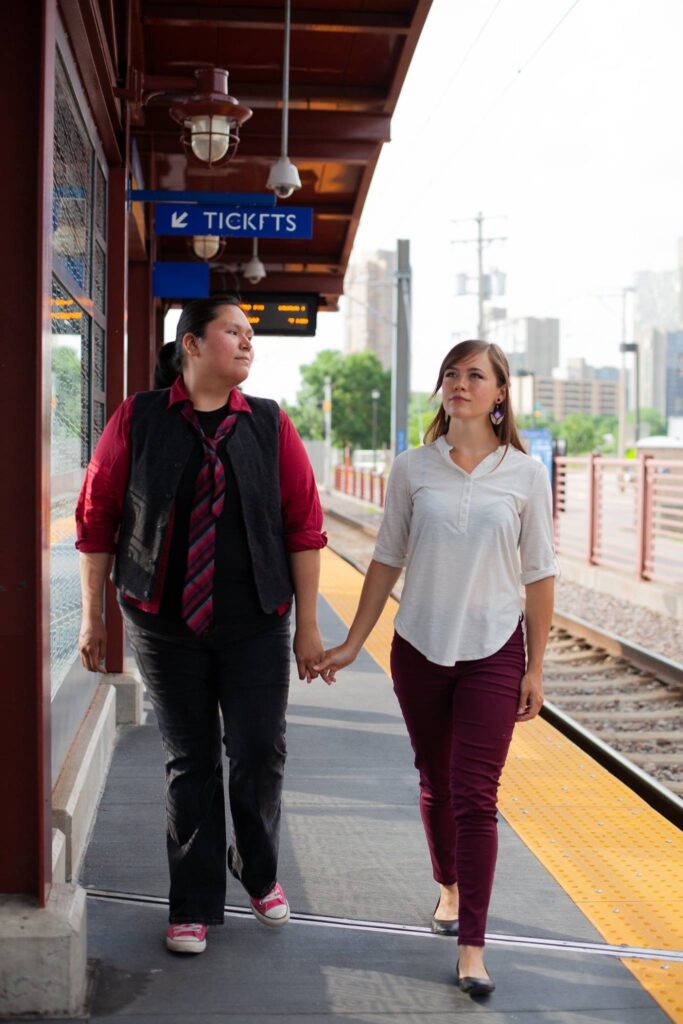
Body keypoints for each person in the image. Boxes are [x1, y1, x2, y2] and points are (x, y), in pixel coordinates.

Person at [76, 296, 327, 954]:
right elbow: (97, 515)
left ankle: (257, 866)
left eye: (250, 335)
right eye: (233, 332)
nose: (248, 343)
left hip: (255, 620)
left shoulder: (271, 425)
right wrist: (93, 618)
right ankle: (191, 905)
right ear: (191, 345)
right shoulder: (138, 418)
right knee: (189, 761)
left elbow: (303, 527)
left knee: (257, 752)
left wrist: (307, 628)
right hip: (164, 620)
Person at [315, 340, 557, 996]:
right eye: (450, 373)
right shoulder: (411, 469)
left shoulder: (524, 473)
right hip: (418, 646)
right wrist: (350, 641)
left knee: (477, 796)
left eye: (474, 375)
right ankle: (447, 888)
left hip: (493, 650)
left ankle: (473, 948)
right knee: (435, 779)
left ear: (500, 393)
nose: (458, 383)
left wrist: (535, 667)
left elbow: (538, 575)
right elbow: (386, 559)